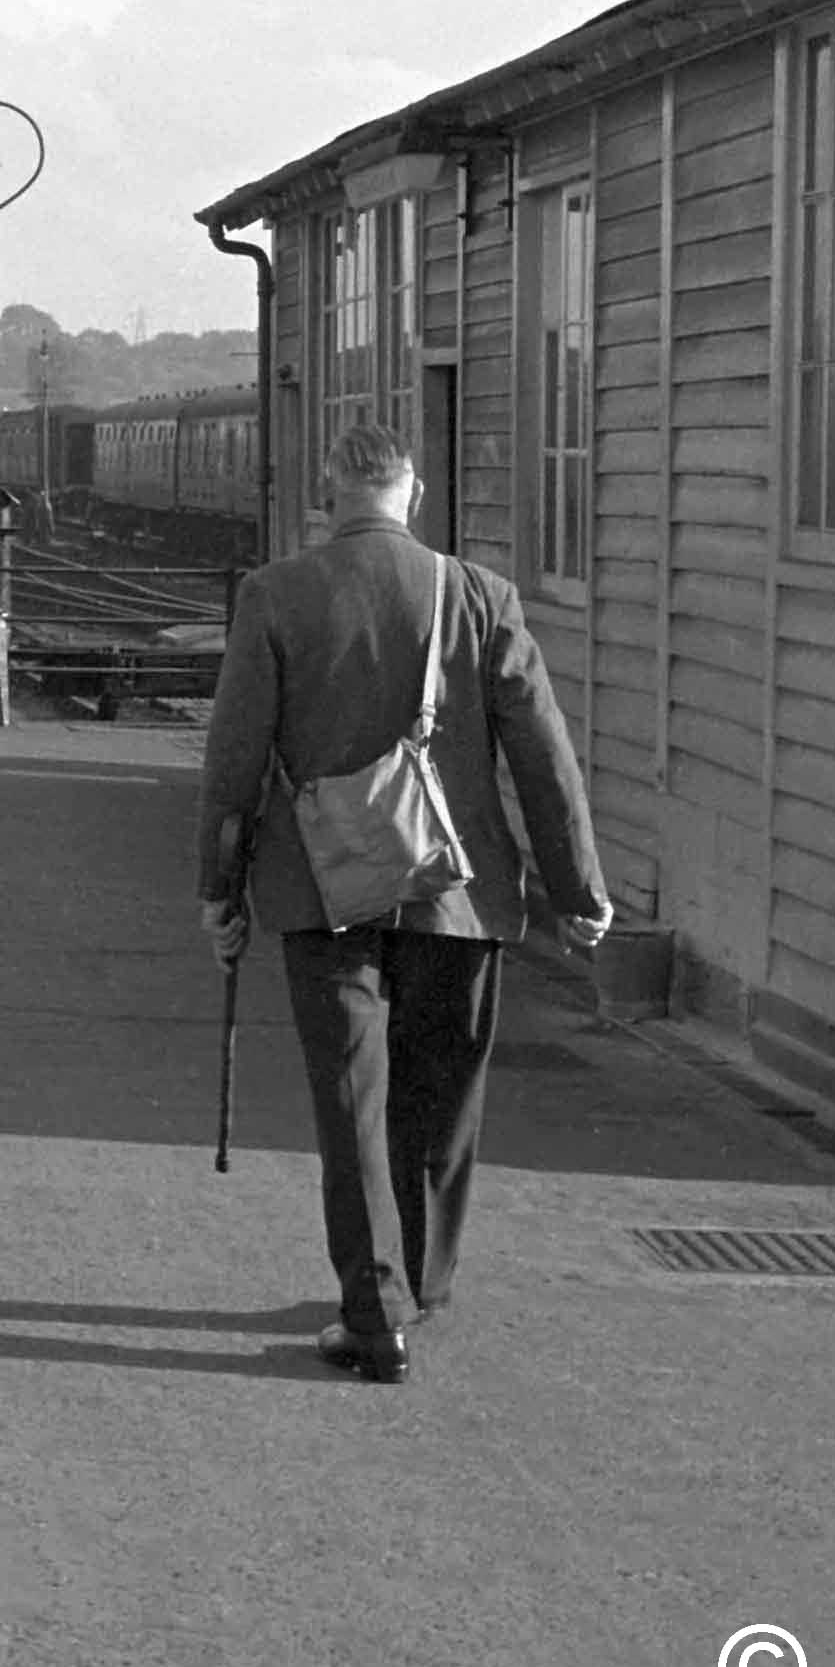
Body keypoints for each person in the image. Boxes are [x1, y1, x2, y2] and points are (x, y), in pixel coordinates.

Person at [194, 419, 609, 1384]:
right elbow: (543, 756)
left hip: (322, 888)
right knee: (438, 1098)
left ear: (329, 495)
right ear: (411, 493)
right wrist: (575, 886)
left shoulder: (274, 596)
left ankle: (375, 1314)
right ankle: (418, 1282)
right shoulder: (478, 596)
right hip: (456, 893)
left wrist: (220, 890)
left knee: (352, 1101)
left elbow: (234, 761)